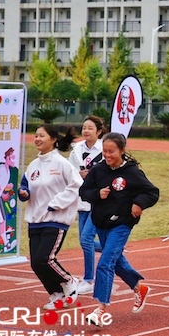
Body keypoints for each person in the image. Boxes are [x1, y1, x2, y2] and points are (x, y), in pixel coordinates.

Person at [80, 132, 159, 326]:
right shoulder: (98, 170)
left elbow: (152, 192)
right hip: (101, 222)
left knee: (105, 263)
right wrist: (97, 194)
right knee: (115, 261)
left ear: (122, 151)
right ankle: (139, 288)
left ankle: (101, 309)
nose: (107, 155)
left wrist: (139, 203)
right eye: (105, 151)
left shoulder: (132, 173)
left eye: (111, 151)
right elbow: (84, 192)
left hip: (122, 224)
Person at [18, 124, 82, 311]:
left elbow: (76, 186)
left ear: (53, 139)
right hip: (35, 219)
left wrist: (57, 203)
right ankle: (56, 294)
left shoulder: (61, 163)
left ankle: (68, 280)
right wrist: (23, 193)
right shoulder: (33, 166)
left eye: (42, 136)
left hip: (56, 219)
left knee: (46, 258)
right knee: (36, 263)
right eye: (36, 135)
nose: (37, 139)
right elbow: (26, 187)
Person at [68, 115, 106, 295]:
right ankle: (112, 247)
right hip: (83, 200)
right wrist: (78, 174)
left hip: (99, 200)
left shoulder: (105, 148)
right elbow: (69, 171)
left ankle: (89, 279)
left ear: (99, 131)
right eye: (84, 127)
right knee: (85, 240)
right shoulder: (76, 149)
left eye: (90, 128)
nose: (86, 131)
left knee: (85, 239)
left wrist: (91, 176)